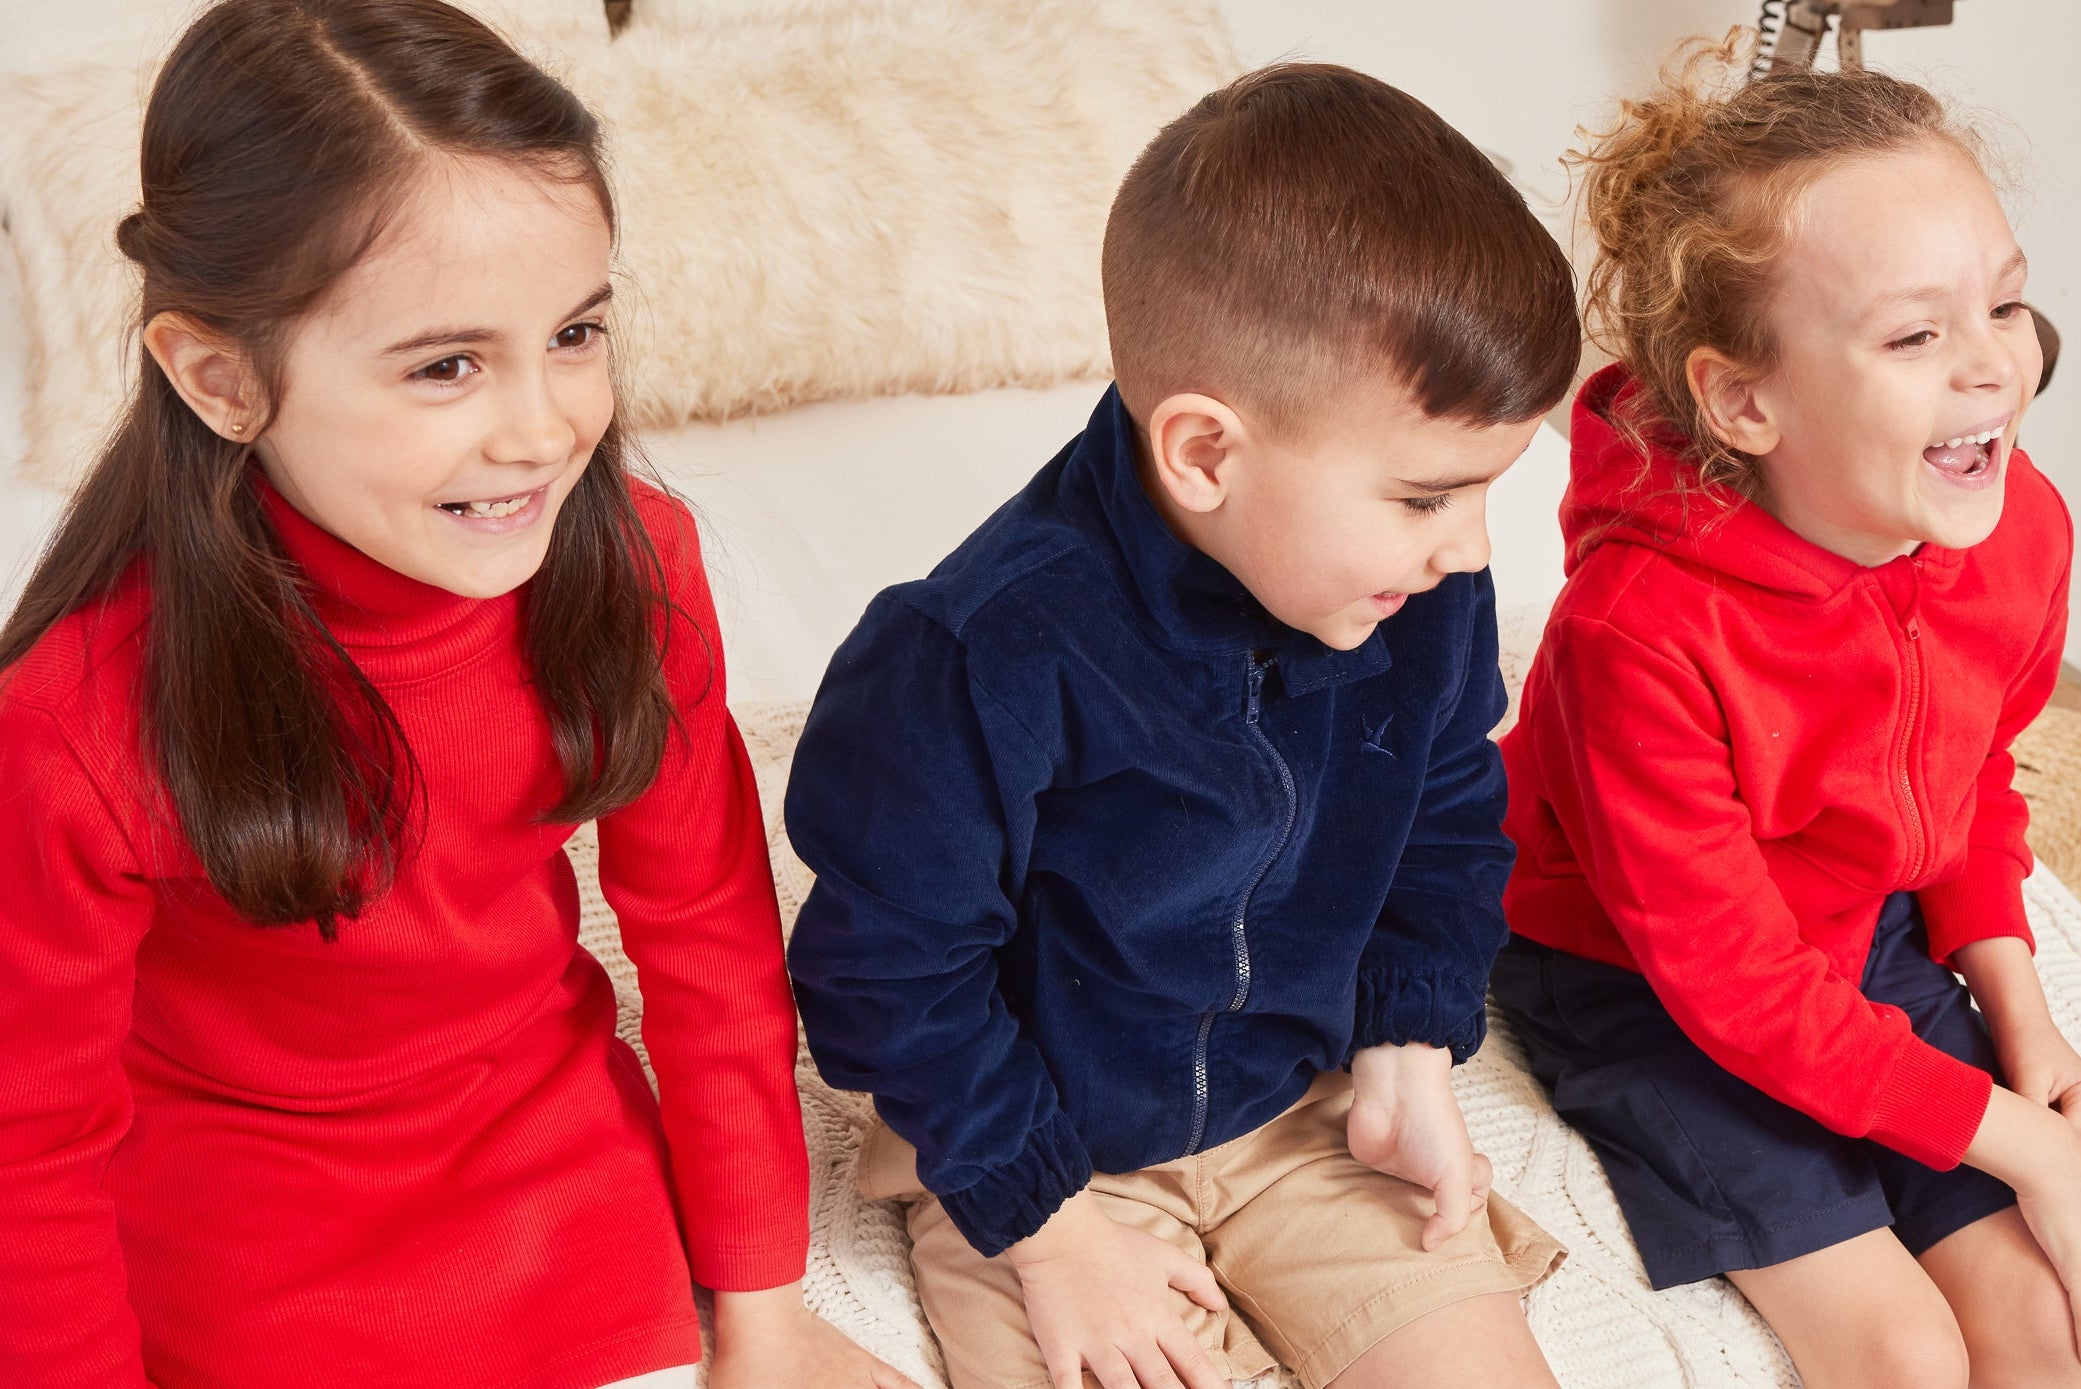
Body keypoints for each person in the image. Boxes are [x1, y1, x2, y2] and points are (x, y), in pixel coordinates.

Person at [0, 3, 913, 1386]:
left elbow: (709, 942)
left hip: (548, 1168)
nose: (543, 426)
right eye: (446, 364)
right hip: (245, 1227)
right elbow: (29, 1143)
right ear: (220, 376)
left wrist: (765, 1303)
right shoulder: (71, 724)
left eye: (575, 332)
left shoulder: (634, 563)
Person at [785, 63, 1579, 1389]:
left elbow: (1443, 803)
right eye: (1426, 497)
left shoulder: (1414, 581)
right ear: (1207, 454)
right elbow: (888, 974)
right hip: (1046, 1155)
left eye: (1486, 489)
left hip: (1303, 1113)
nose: (1470, 547)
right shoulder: (974, 653)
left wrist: (1403, 1041)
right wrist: (1046, 1231)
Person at [1492, 35, 2081, 1389]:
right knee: (1905, 1354)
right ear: (1742, 398)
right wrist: (2021, 1139)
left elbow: (1980, 783)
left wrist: (2021, 1016)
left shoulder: (2016, 523)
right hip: (1648, 986)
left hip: (1857, 934)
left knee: (2039, 1315)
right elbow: (1737, 986)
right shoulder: (1632, 632)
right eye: (1914, 334)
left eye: (2002, 306)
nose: (1990, 368)